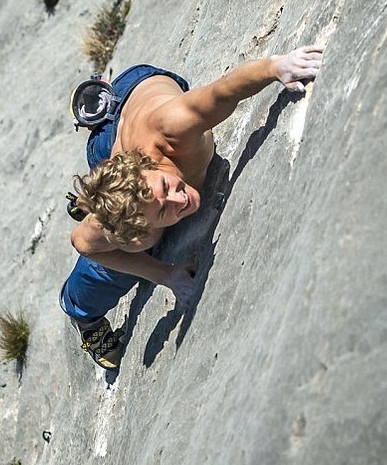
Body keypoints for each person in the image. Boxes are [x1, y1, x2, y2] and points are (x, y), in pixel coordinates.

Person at [60, 46, 324, 369]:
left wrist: (278, 67)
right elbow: (81, 241)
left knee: (145, 226)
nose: (180, 199)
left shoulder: (173, 129)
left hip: (137, 89)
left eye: (167, 188)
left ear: (146, 165)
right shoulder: (138, 222)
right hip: (117, 150)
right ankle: (80, 311)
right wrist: (163, 274)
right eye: (162, 210)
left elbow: (223, 91)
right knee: (139, 246)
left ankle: (96, 177)